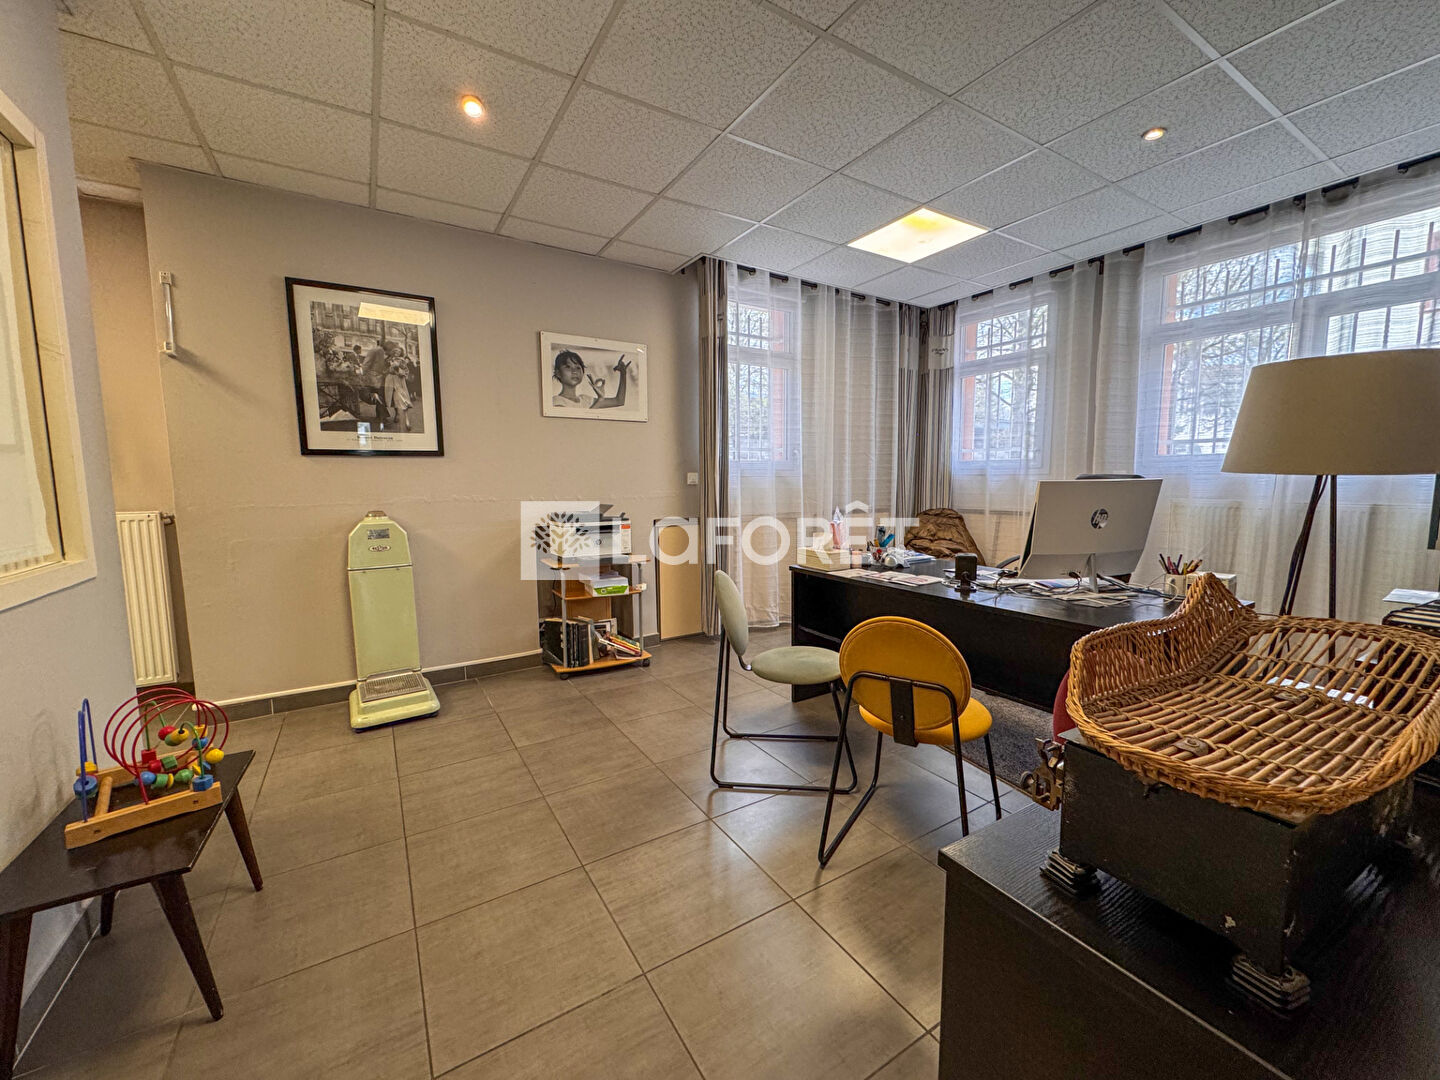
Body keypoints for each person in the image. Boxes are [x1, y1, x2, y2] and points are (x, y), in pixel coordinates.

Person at [551, 350, 632, 410]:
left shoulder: (585, 399)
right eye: (568, 367)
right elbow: (578, 423)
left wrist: (623, 373)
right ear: (558, 373)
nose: (574, 371)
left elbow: (619, 401)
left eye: (578, 368)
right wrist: (600, 400)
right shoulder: (556, 401)